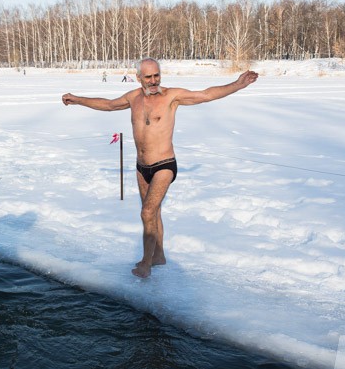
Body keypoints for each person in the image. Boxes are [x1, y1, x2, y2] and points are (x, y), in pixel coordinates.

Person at [62, 58, 258, 278]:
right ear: (139, 78)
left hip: (164, 164)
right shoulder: (133, 98)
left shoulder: (171, 97)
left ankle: (145, 263)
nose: (154, 81)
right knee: (154, 212)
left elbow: (206, 95)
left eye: (157, 75)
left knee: (147, 211)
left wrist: (237, 84)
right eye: (148, 77)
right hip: (141, 166)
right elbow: (108, 105)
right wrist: (77, 99)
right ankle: (159, 255)